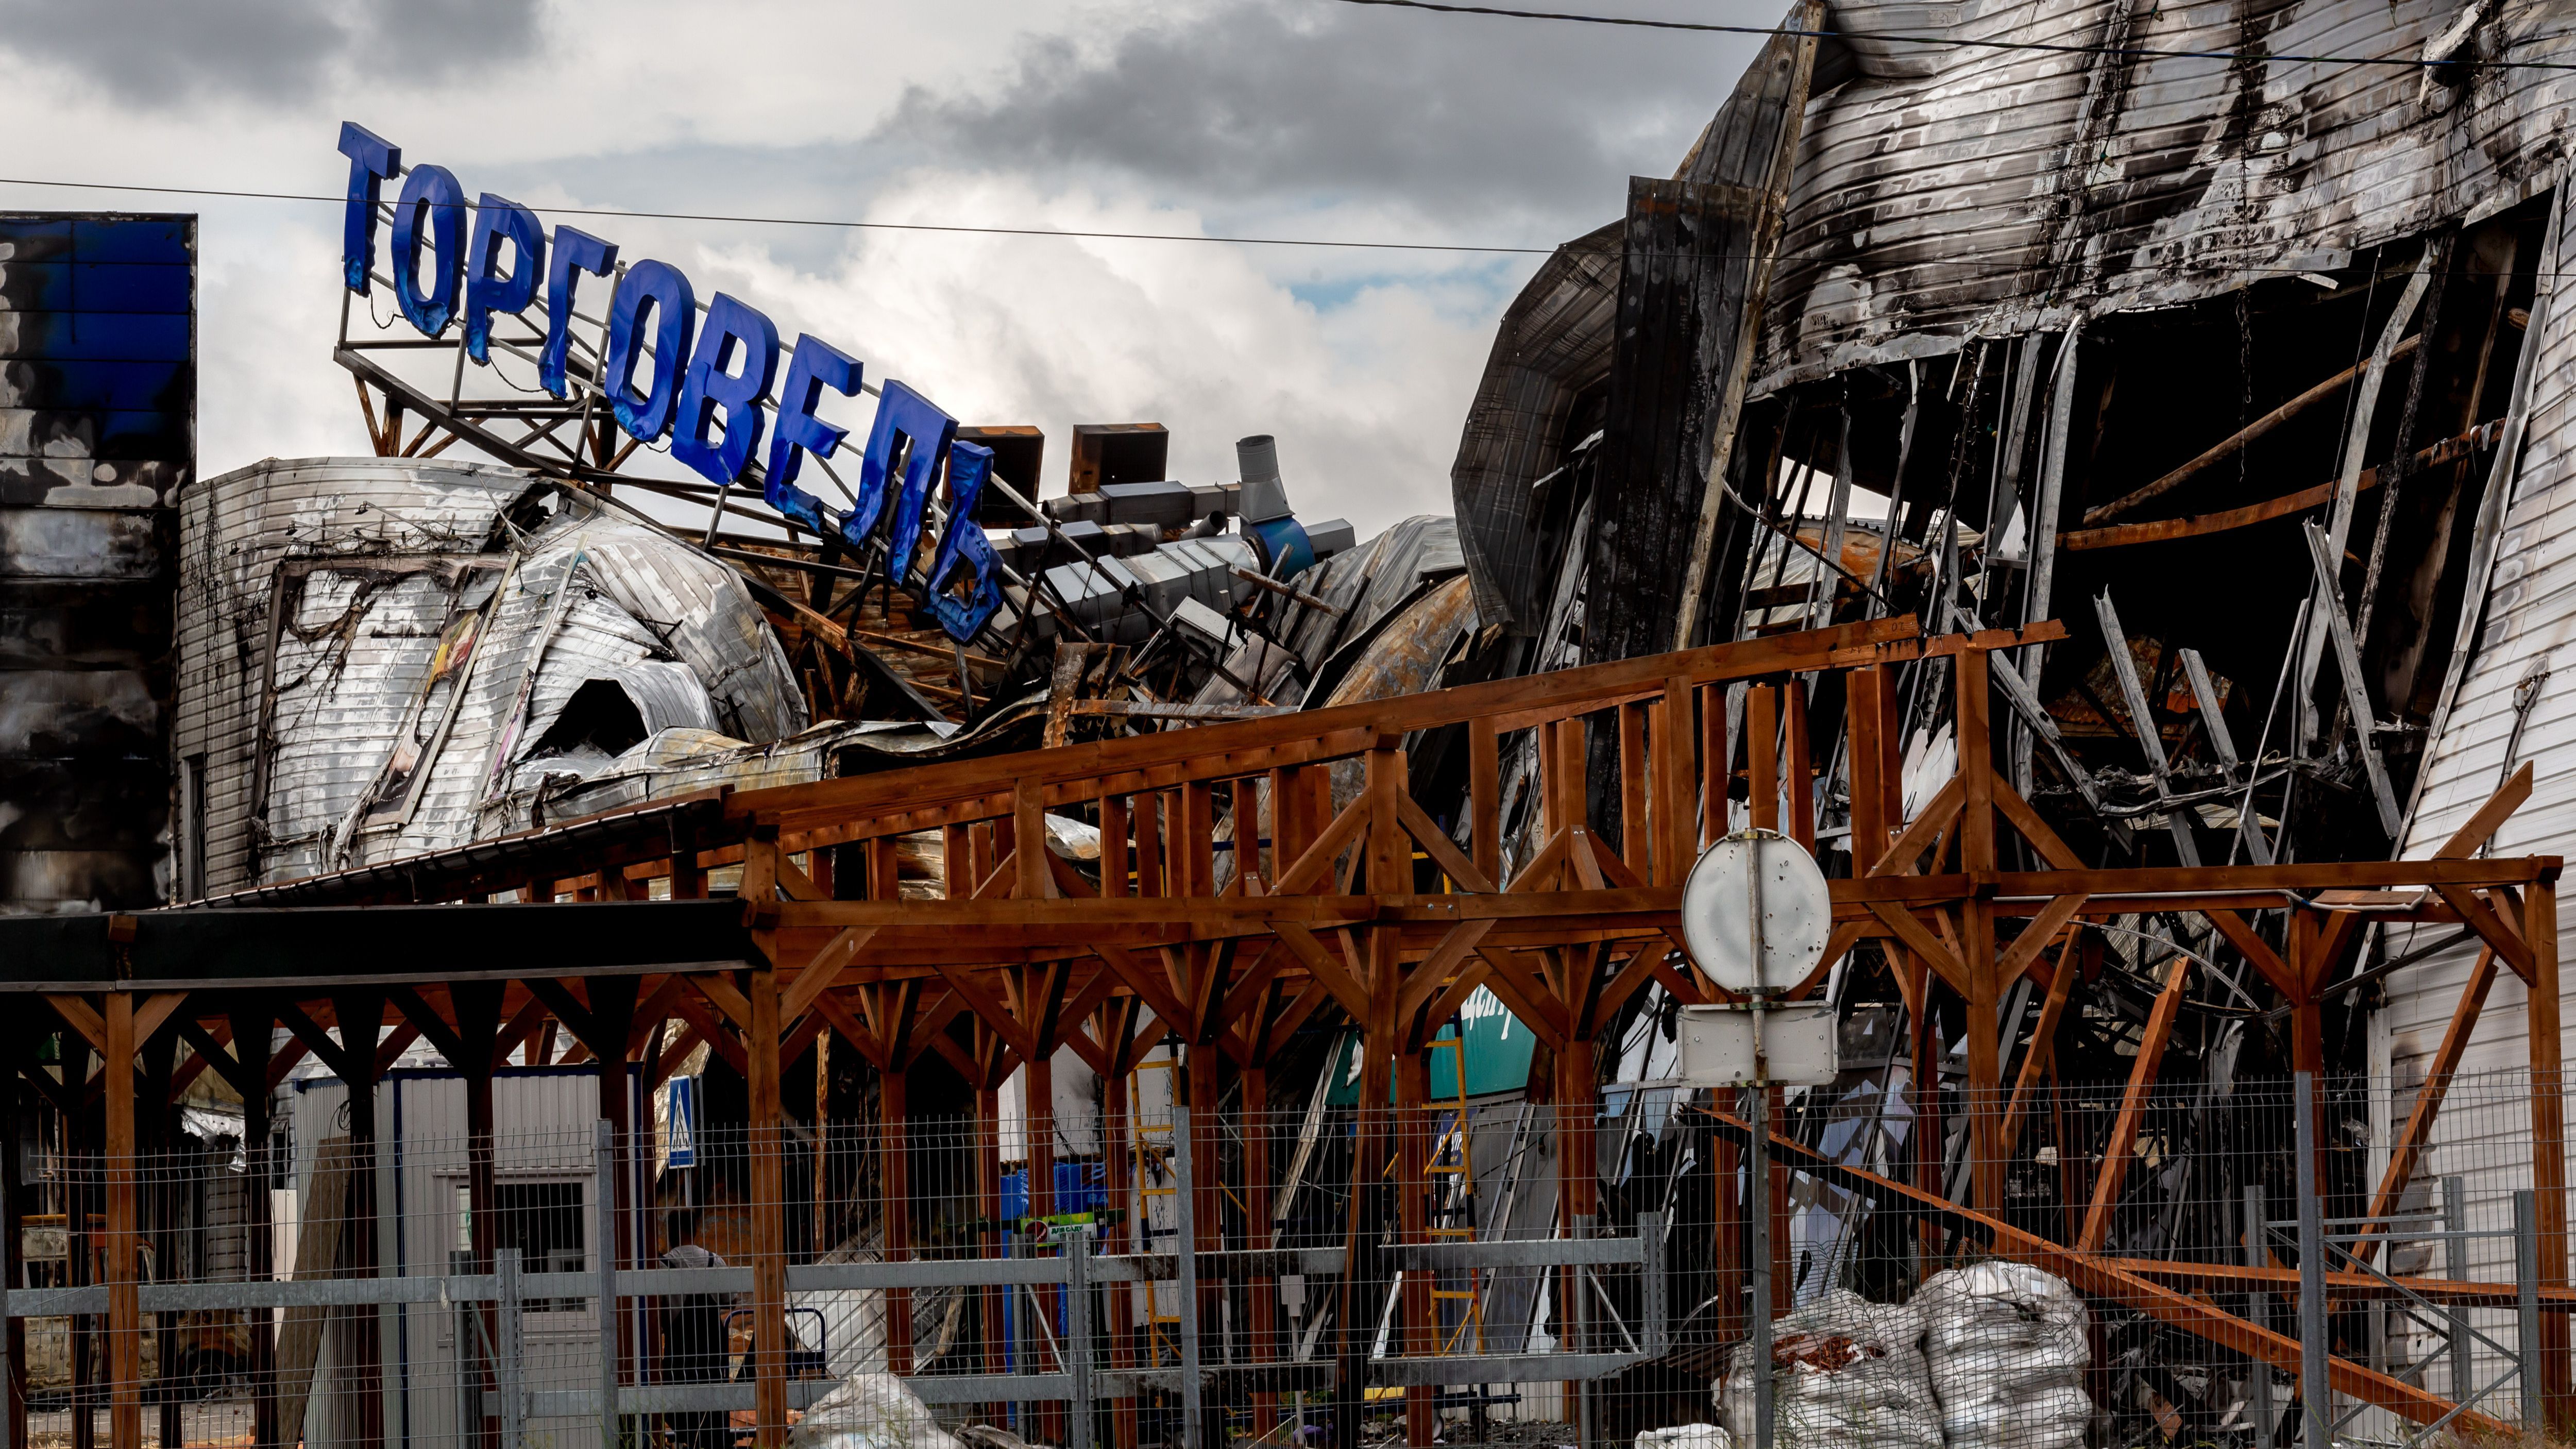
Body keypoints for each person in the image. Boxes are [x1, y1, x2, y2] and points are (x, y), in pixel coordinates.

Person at [658, 1241, 731, 1449]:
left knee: (681, 1415)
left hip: (681, 1357)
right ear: (696, 1230)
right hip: (712, 1357)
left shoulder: (663, 1267)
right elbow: (730, 1300)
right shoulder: (715, 1262)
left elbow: (657, 1314)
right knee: (713, 1416)